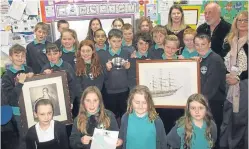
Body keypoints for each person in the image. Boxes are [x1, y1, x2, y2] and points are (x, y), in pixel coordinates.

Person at [220, 11, 248, 149]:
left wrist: (238, 78)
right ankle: (226, 145)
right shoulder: (228, 40)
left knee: (240, 118)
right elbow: (222, 61)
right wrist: (227, 75)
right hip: (228, 84)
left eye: (246, 20)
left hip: (244, 84)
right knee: (227, 116)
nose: (242, 23)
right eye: (240, 20)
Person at [194, 33, 226, 148]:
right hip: (202, 102)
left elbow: (210, 87)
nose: (200, 47)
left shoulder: (215, 60)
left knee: (211, 134)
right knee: (202, 134)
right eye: (197, 44)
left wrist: (198, 104)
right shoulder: (197, 59)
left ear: (209, 44)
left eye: (203, 44)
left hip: (213, 103)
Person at [1, 44, 34, 149]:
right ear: (10, 57)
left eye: (22, 56)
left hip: (32, 109)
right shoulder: (7, 76)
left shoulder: (29, 69)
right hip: (18, 112)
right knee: (23, 138)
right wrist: (20, 83)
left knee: (33, 136)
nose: (20, 58)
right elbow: (10, 98)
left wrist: (37, 76)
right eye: (17, 55)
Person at [119, 85, 167, 149]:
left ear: (149, 103)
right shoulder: (125, 118)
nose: (140, 106)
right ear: (131, 102)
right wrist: (119, 142)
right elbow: (122, 138)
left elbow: (163, 142)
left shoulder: (156, 120)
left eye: (144, 103)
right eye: (137, 102)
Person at [103, 29, 130, 120]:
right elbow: (101, 76)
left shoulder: (126, 53)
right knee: (111, 117)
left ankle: (123, 133)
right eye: (114, 41)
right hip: (110, 92)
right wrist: (106, 69)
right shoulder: (103, 55)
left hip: (124, 91)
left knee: (125, 116)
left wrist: (128, 68)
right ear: (108, 40)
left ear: (122, 40)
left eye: (119, 41)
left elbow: (131, 74)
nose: (116, 44)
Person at [41, 43, 76, 111]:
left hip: (66, 100)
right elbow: (41, 85)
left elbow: (73, 85)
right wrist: (43, 75)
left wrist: (71, 101)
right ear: (46, 55)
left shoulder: (67, 67)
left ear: (60, 54)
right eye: (49, 54)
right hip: (50, 102)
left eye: (55, 53)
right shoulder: (45, 68)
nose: (52, 57)